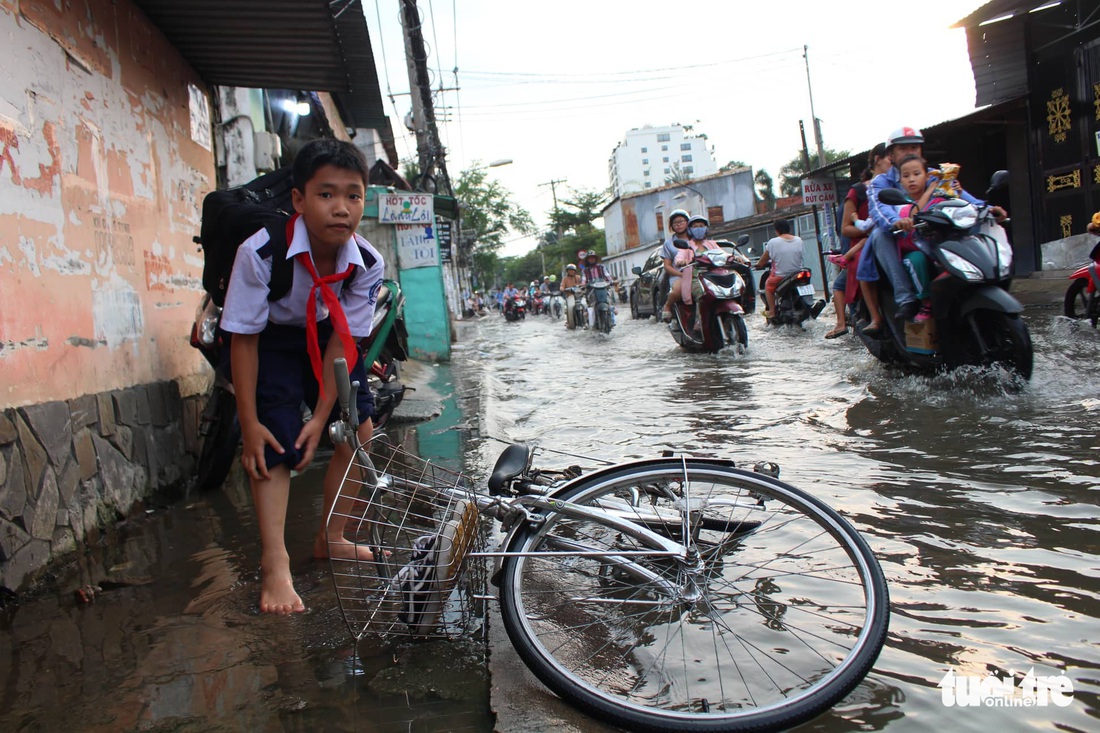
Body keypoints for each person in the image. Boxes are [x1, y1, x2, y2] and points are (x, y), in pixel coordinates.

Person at [220, 138, 385, 615]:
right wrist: (249, 424)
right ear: (298, 200)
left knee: (359, 431)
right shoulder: (262, 252)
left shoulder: (366, 264)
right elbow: (244, 340)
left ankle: (330, 537)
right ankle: (275, 564)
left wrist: (323, 417)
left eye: (353, 195)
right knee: (274, 440)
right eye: (326, 194)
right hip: (268, 339)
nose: (341, 208)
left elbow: (342, 341)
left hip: (327, 333)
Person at [864, 126, 1004, 324]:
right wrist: (897, 222)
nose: (910, 152)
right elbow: (880, 209)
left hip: (936, 236)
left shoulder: (937, 176)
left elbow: (962, 198)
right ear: (891, 155)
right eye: (904, 149)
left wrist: (987, 209)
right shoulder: (881, 182)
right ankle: (907, 299)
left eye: (914, 147)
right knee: (879, 233)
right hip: (903, 239)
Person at [826, 143, 890, 339]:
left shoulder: (903, 182)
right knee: (843, 282)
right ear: (877, 160)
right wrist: (870, 230)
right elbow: (845, 228)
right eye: (891, 157)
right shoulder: (859, 191)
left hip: (896, 237)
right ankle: (851, 322)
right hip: (867, 244)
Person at [756, 218, 805, 320]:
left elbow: (762, 261)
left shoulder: (773, 242)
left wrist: (758, 265)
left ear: (777, 230)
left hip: (781, 276)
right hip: (798, 274)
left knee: (768, 287)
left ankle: (772, 312)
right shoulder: (799, 240)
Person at [658, 209, 691, 321]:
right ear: (671, 226)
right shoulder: (669, 243)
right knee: (679, 290)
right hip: (679, 275)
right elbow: (667, 266)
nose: (678, 225)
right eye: (675, 223)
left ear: (687, 222)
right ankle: (667, 305)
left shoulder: (696, 238)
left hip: (698, 273)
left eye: (681, 221)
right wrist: (681, 274)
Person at [560, 263, 584, 329]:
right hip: (570, 295)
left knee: (585, 305)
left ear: (575, 271)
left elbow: (583, 284)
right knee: (570, 307)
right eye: (569, 270)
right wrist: (562, 289)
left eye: (572, 270)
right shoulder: (565, 279)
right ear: (567, 271)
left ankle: (586, 320)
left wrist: (582, 286)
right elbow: (562, 286)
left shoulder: (578, 277)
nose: (571, 271)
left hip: (579, 295)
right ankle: (570, 322)